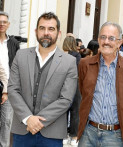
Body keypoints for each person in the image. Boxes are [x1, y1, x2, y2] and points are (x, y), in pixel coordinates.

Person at [8, 12, 78, 147]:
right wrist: (28, 118)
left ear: (59, 33)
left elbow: (66, 99)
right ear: (36, 31)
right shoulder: (20, 55)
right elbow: (13, 89)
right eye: (42, 28)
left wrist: (38, 122)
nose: (46, 33)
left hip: (52, 133)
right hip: (22, 130)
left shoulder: (69, 62)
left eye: (51, 29)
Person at [77, 22, 123, 147]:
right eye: (103, 37)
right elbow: (84, 92)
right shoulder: (85, 64)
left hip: (115, 136)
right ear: (98, 40)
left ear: (119, 43)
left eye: (111, 38)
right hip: (88, 133)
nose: (106, 41)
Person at [0, 11, 20, 147]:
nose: (1, 24)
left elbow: (17, 66)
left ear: (8, 24)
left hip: (9, 88)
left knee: (7, 121)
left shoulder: (13, 43)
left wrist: (8, 90)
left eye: (4, 22)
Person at [62, 35, 81, 146]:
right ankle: (74, 137)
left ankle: (63, 135)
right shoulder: (76, 55)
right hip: (75, 84)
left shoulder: (59, 54)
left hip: (62, 84)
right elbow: (77, 69)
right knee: (75, 111)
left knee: (63, 110)